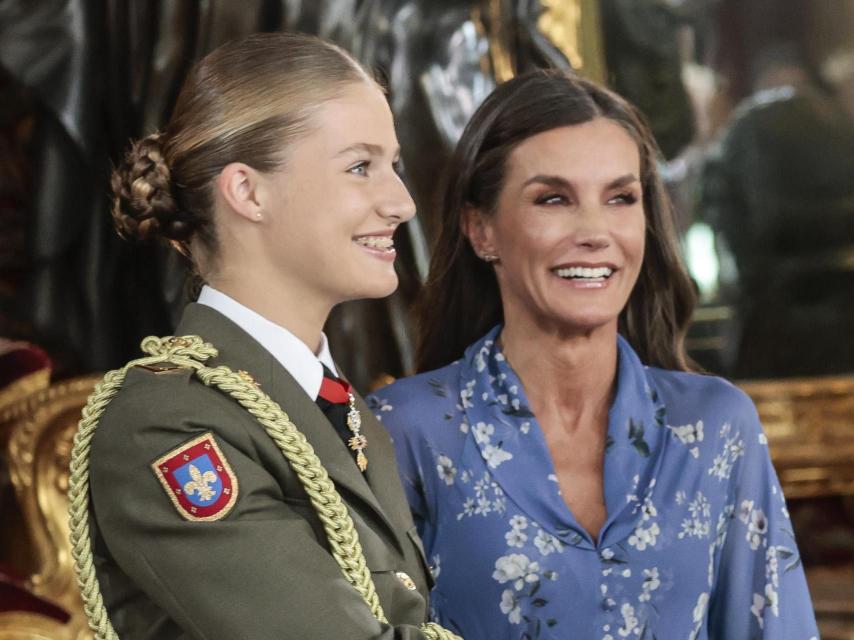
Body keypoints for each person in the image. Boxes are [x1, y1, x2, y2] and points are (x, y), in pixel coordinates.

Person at [369, 69, 818, 639]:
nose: (595, 232)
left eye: (620, 198)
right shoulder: (403, 431)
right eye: (554, 198)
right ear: (481, 229)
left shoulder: (715, 426)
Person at [79, 32, 458, 640]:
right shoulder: (171, 422)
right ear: (249, 191)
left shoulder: (336, 406)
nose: (402, 202)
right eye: (361, 167)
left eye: (395, 167)